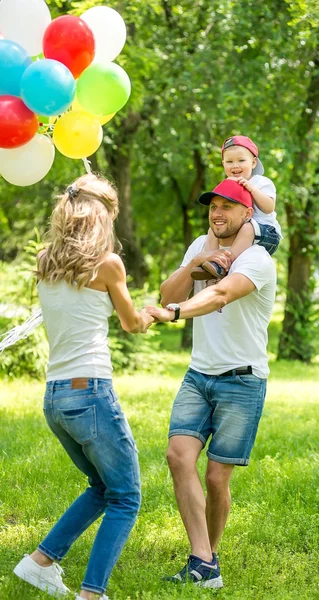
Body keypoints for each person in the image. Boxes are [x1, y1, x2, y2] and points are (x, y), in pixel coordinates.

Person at [13, 174, 153, 600]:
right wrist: (151, 313)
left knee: (101, 486)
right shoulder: (108, 264)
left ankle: (39, 563)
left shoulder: (44, 261)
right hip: (90, 391)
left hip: (56, 396)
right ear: (101, 216)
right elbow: (131, 324)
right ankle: (92, 594)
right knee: (126, 496)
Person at [146, 178, 276, 589]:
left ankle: (209, 559)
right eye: (213, 207)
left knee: (218, 479)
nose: (218, 213)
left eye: (228, 206)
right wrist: (194, 263)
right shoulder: (199, 247)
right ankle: (202, 561)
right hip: (198, 375)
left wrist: (175, 314)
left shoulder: (257, 259)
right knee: (178, 456)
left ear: (247, 214)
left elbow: (220, 294)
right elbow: (167, 291)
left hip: (242, 380)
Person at [191, 135, 282, 280]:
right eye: (229, 161)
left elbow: (269, 208)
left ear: (253, 163)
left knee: (248, 228)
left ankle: (224, 263)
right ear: (223, 164)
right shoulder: (228, 184)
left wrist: (252, 190)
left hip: (267, 233)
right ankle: (212, 260)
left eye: (241, 160)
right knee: (213, 229)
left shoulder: (260, 182)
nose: (235, 166)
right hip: (241, 232)